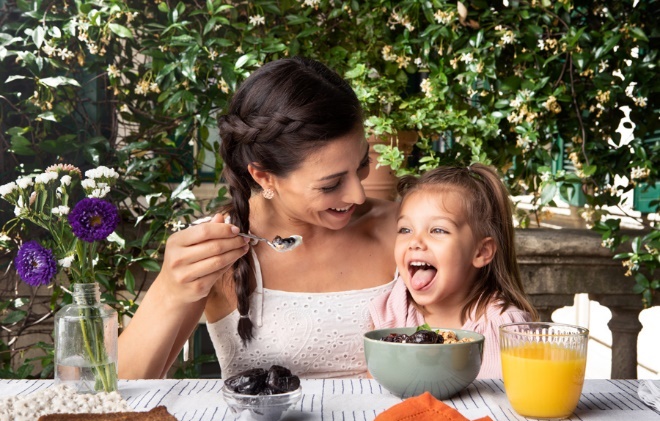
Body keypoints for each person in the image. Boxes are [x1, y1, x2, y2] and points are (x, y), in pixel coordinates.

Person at [118, 57, 398, 380]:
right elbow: (117, 398)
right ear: (264, 177)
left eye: (362, 164)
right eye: (331, 184)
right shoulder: (214, 250)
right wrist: (170, 288)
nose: (358, 195)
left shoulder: (403, 230)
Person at [369, 164, 538, 379]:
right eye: (405, 229)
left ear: (481, 252)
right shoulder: (392, 312)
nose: (415, 242)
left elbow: (515, 400)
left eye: (438, 230)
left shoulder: (505, 329)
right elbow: (373, 391)